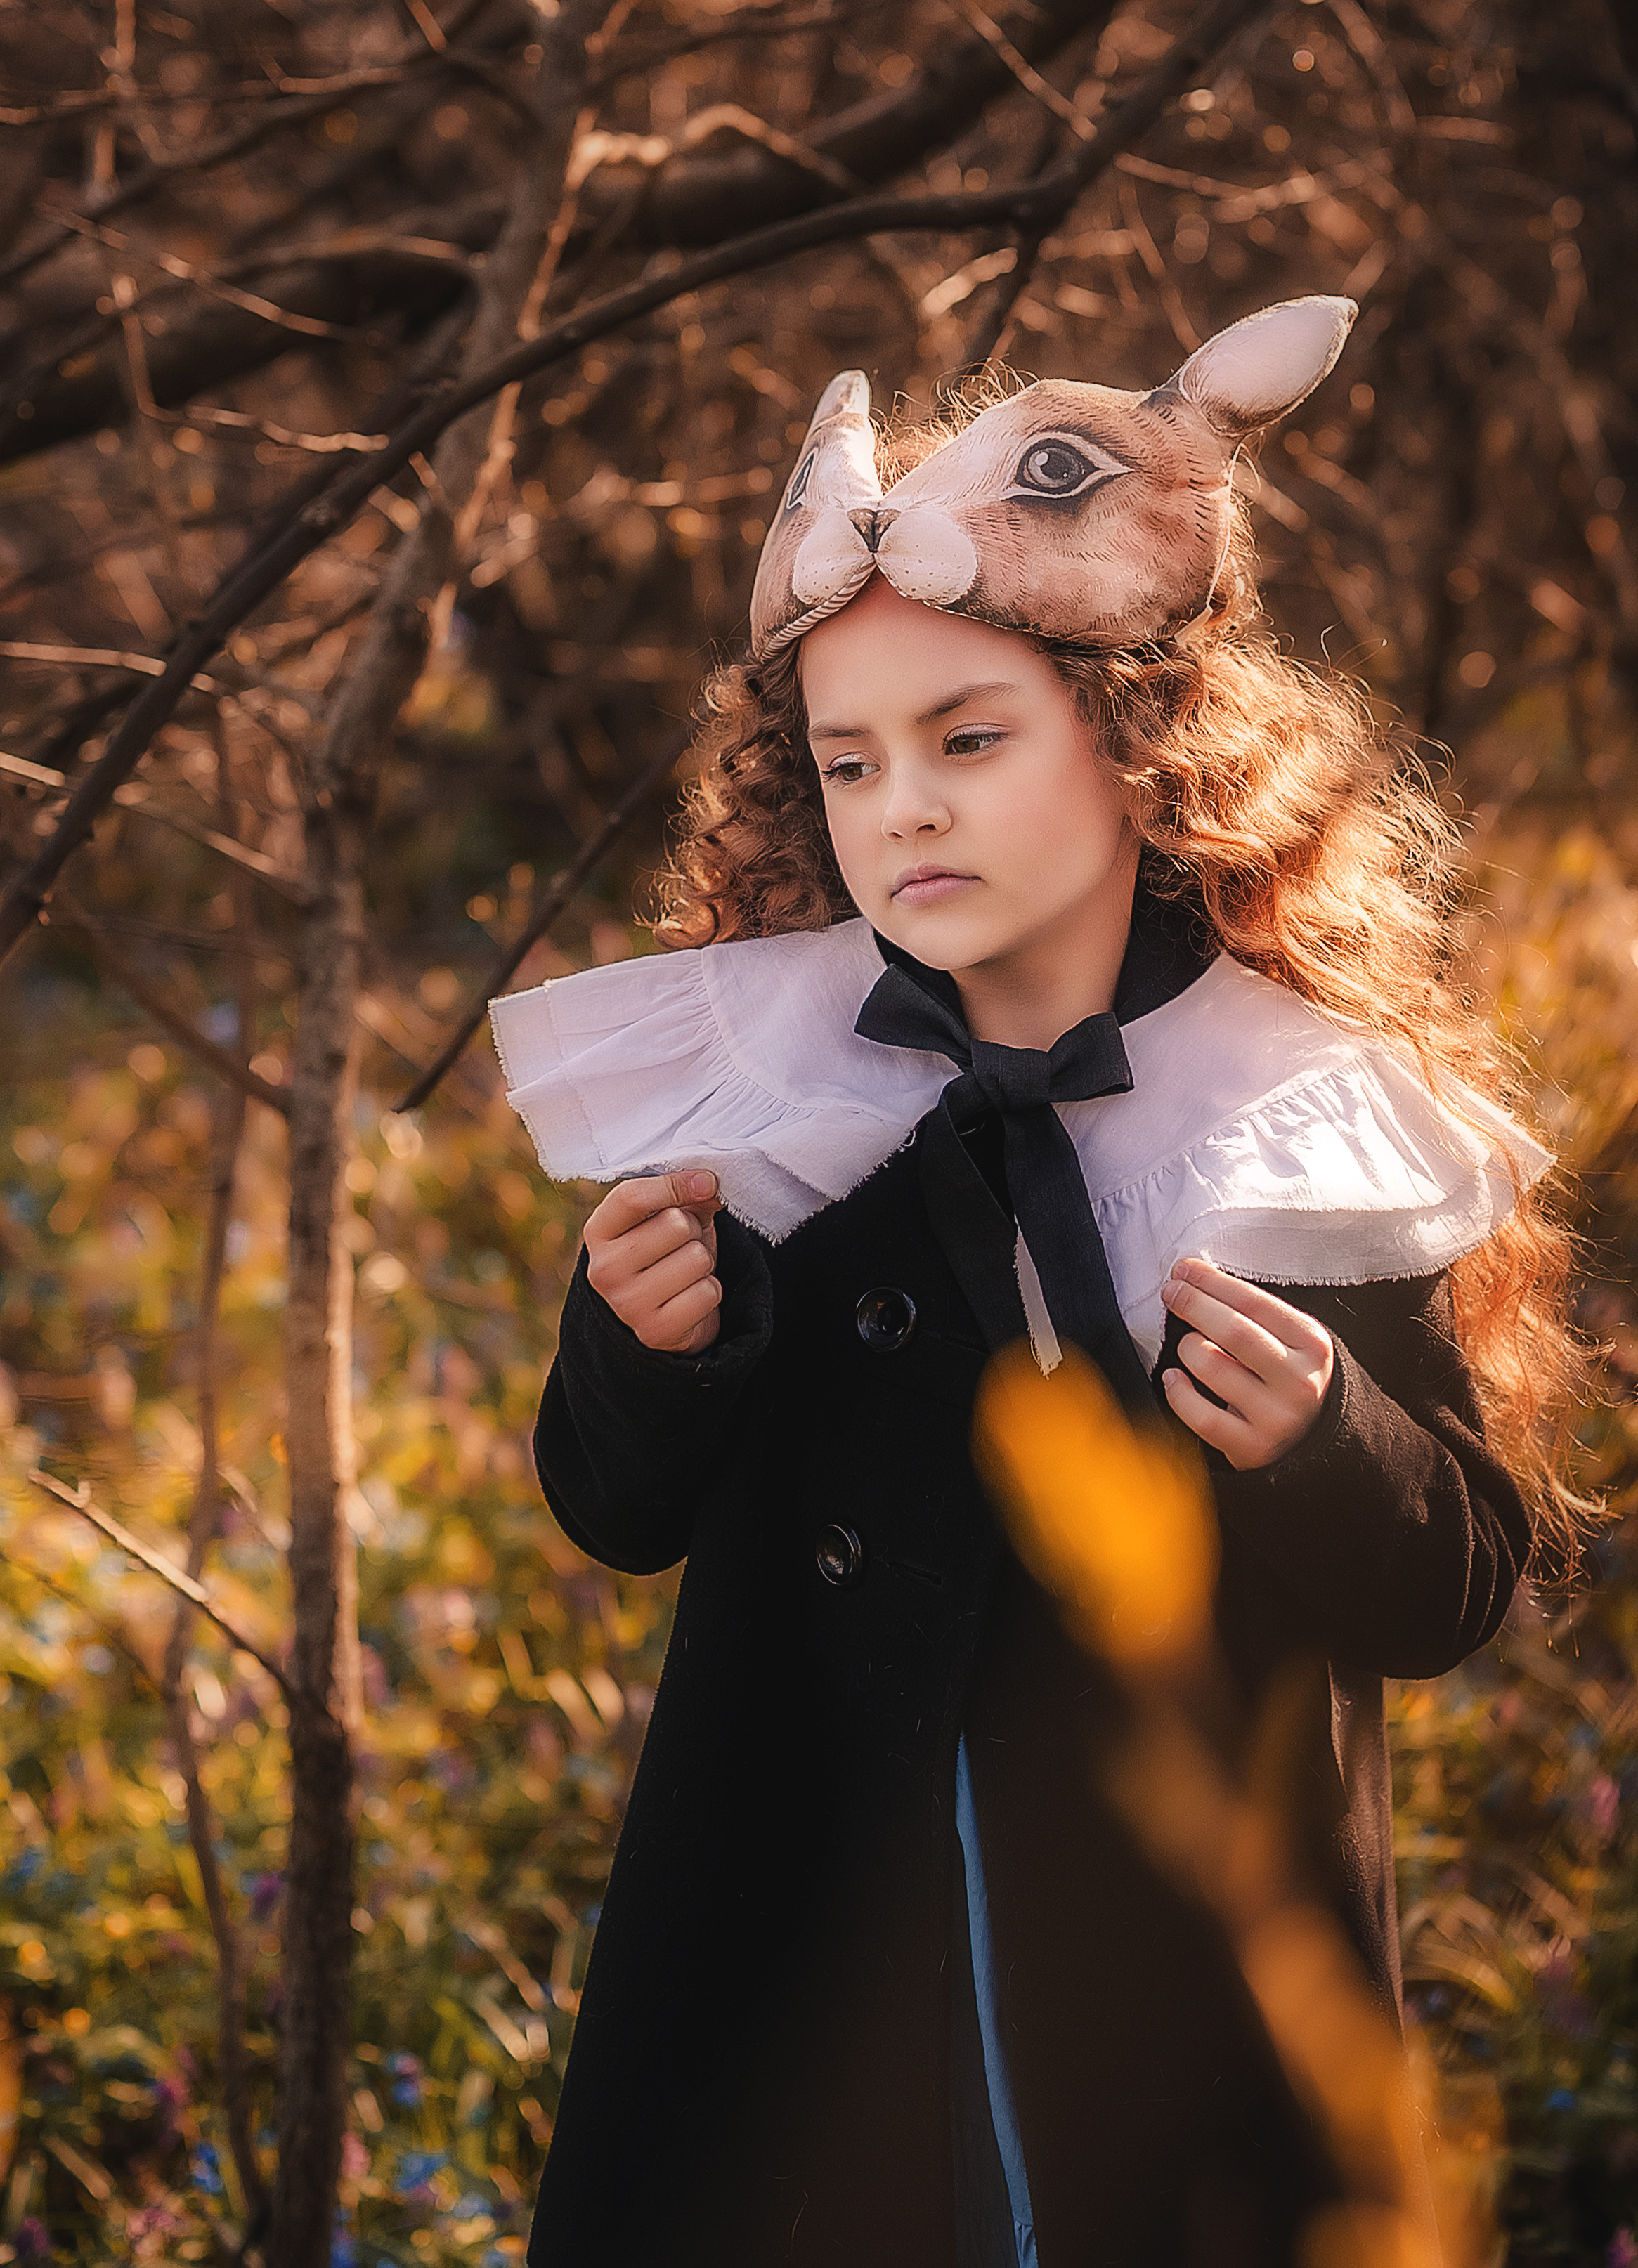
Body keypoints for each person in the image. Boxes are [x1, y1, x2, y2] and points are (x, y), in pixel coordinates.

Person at [491, 299, 1587, 2268]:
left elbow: (1455, 1584)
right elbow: (613, 1507)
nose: (899, 805)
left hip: (1172, 1976)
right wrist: (645, 1348)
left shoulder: (1291, 1112)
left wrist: (1325, 1439)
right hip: (821, 1954)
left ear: (1139, 738)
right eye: (846, 762)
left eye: (966, 739)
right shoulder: (778, 1095)